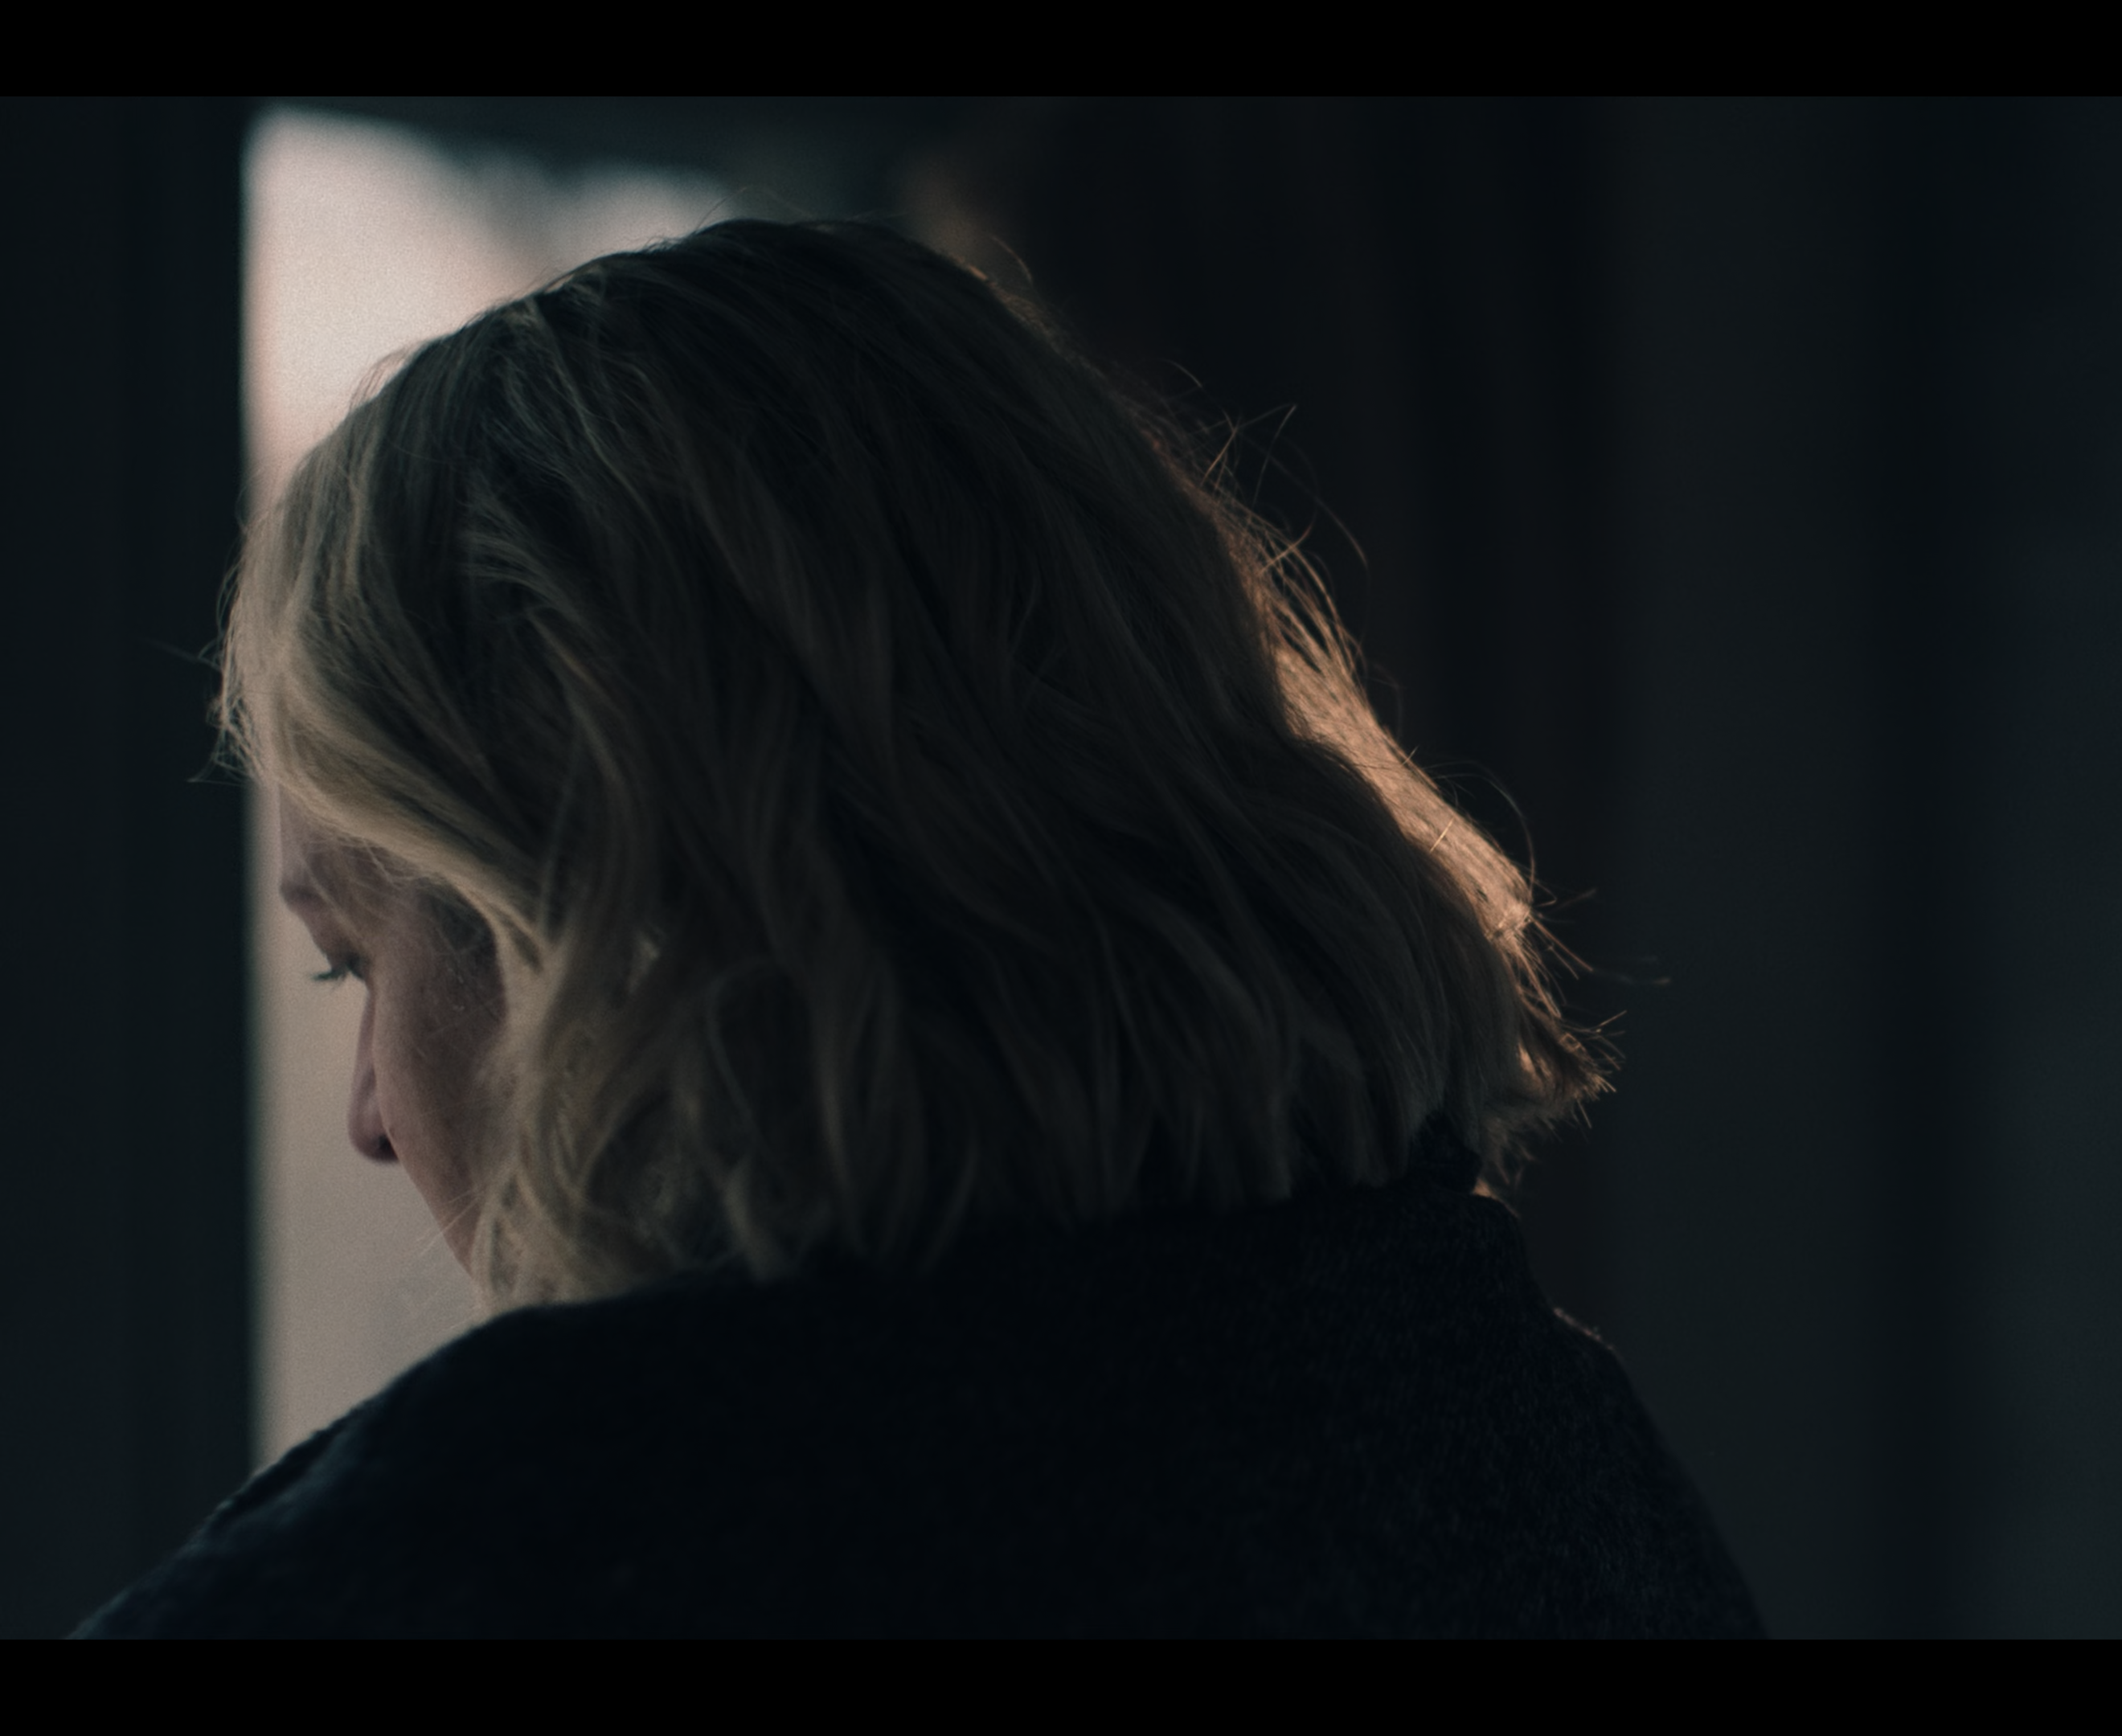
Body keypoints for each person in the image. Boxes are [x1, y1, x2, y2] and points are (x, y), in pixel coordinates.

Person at [79, 219, 1761, 1638]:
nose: (370, 1115)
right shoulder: (1536, 1441)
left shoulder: (478, 1571)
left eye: (356, 960)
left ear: (597, 931)